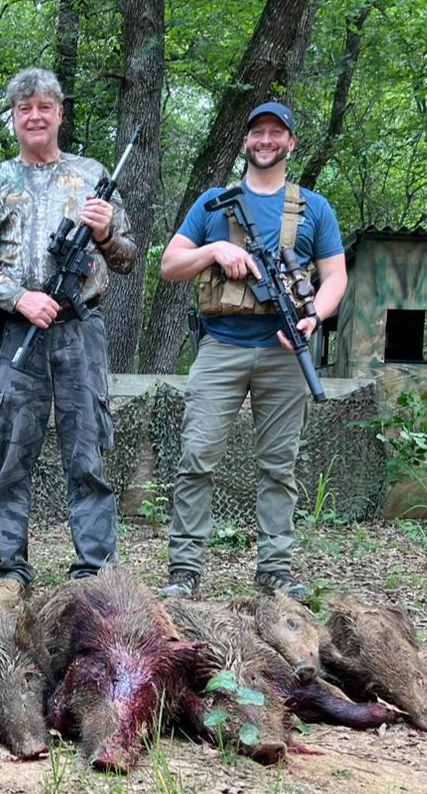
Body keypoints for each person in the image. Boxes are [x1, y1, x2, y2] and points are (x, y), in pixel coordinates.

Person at [0, 68, 136, 606]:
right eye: (23, 108)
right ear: (13, 118)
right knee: (12, 449)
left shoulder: (92, 175)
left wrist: (105, 234)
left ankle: (95, 571)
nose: (34, 116)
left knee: (88, 449)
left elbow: (128, 259)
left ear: (59, 113)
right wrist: (20, 298)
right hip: (19, 332)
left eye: (43, 106)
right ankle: (10, 568)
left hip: (81, 329)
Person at [158, 102, 347, 602]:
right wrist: (215, 251)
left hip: (286, 351)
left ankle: (275, 569)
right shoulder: (213, 203)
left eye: (276, 133)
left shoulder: (314, 208)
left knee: (279, 464)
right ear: (246, 142)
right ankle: (184, 569)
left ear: (291, 143)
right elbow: (170, 264)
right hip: (221, 346)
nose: (266, 140)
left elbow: (335, 277)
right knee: (197, 456)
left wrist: (313, 317)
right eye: (257, 133)